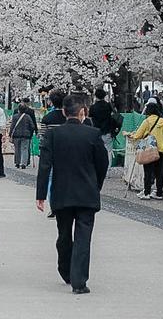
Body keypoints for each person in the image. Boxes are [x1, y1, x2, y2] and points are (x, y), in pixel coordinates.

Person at [36, 93, 108, 295]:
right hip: (87, 193)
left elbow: (44, 165)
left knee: (64, 235)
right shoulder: (93, 134)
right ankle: (79, 281)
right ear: (82, 111)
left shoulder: (54, 135)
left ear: (64, 112)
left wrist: (41, 194)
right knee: (83, 237)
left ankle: (65, 270)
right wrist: (96, 184)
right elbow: (103, 163)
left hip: (62, 192)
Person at [130, 102, 163, 200]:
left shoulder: (147, 121)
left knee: (148, 172)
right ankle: (159, 193)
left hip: (149, 149)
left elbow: (138, 135)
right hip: (161, 150)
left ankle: (147, 193)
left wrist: (132, 135)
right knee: (159, 173)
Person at [10, 101, 39, 170]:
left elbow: (12, 126)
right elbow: (32, 126)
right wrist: (31, 132)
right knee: (25, 149)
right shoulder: (28, 117)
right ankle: (23, 163)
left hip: (16, 135)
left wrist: (10, 134)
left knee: (17, 149)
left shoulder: (15, 116)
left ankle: (17, 162)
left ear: (18, 109)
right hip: (26, 135)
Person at [89, 89, 119, 156]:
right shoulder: (108, 106)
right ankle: (108, 163)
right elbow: (115, 115)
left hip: (96, 132)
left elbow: (90, 119)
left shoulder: (93, 107)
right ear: (104, 96)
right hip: (107, 130)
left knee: (97, 152)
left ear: (95, 96)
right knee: (108, 151)